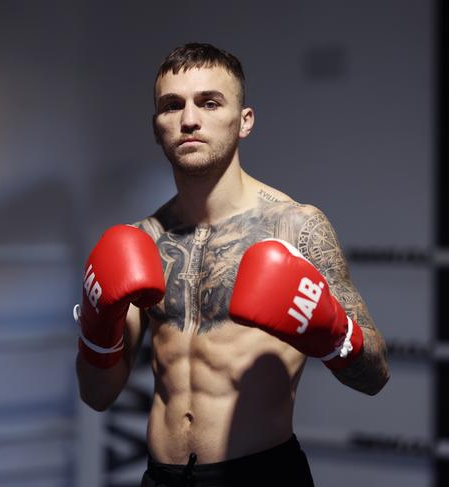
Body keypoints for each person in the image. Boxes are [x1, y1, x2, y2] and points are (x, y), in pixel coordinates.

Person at [74, 43, 390, 486]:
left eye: (209, 102)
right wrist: (96, 329)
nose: (189, 119)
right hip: (163, 477)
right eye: (172, 106)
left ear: (244, 121)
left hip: (261, 475)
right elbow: (97, 395)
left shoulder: (296, 227)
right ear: (156, 127)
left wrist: (333, 332)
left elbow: (375, 376)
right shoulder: (142, 241)